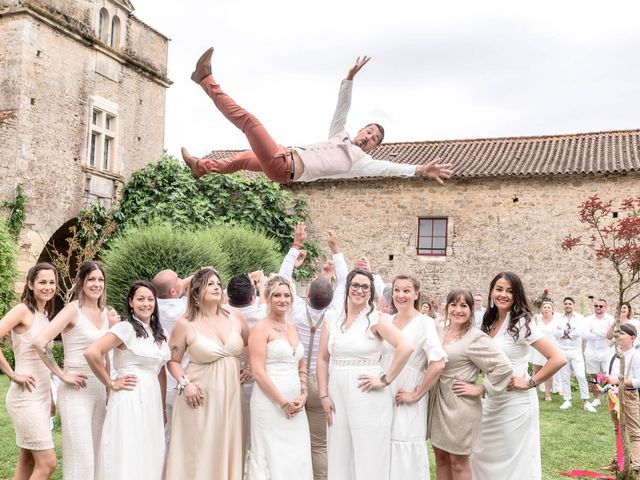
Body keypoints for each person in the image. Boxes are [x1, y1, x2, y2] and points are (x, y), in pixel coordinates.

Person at [181, 48, 454, 184]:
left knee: (249, 122)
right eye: (368, 131)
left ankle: (205, 79)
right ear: (360, 131)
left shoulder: (360, 162)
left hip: (283, 165)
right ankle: (202, 168)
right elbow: (341, 109)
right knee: (242, 158)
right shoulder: (339, 136)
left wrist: (419, 170)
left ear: (373, 147)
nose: (369, 137)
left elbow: (388, 168)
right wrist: (348, 79)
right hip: (283, 158)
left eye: (374, 139)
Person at [316, 268, 414, 480]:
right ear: (347, 287)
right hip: (337, 395)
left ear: (370, 292)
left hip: (367, 396)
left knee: (369, 453)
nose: (360, 290)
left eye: (365, 287)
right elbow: (322, 358)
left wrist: (385, 379)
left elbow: (405, 346)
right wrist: (323, 395)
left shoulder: (377, 319)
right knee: (340, 451)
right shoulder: (331, 318)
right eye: (356, 285)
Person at [471, 272, 567, 480]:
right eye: (499, 289)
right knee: (481, 456)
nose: (503, 294)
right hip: (490, 401)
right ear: (491, 292)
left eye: (510, 291)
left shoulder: (522, 322)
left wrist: (531, 382)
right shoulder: (488, 322)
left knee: (514, 462)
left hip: (515, 404)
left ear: (517, 295)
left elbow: (557, 358)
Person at [278, 224, 348, 480]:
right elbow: (345, 282)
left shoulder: (294, 310)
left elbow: (283, 278)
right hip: (322, 383)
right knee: (319, 444)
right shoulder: (335, 313)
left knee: (291, 438)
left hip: (294, 381)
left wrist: (296, 244)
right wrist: (336, 250)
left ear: (306, 294)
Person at [164, 268, 248, 480]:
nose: (216, 287)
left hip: (231, 398)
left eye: (218, 284)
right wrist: (185, 384)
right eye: (210, 284)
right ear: (196, 291)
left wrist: (249, 368)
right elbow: (172, 361)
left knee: (227, 447)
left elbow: (250, 344)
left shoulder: (235, 316)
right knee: (198, 452)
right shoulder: (185, 323)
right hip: (199, 396)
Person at [84, 280, 170, 480]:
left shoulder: (158, 332)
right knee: (129, 447)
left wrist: (163, 408)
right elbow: (92, 352)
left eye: (150, 299)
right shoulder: (125, 328)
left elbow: (160, 372)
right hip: (130, 397)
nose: (146, 304)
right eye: (140, 299)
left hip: (152, 399)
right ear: (131, 302)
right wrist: (110, 383)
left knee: (150, 448)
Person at [33, 260, 110, 480]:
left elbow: (105, 353)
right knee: (81, 459)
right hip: (75, 391)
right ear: (81, 282)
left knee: (97, 456)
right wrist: (61, 374)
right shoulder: (72, 310)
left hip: (98, 390)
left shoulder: (106, 313)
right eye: (91, 279)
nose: (97, 284)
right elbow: (40, 342)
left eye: (100, 279)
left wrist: (109, 385)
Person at [428, 289, 512, 480]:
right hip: (438, 401)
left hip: (460, 405)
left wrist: (482, 388)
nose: (458, 310)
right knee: (440, 457)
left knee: (458, 463)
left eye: (464, 305)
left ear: (471, 309)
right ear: (447, 307)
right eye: (454, 305)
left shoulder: (476, 337)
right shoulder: (441, 330)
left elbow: (504, 366)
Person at [381, 275, 447, 480]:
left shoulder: (425, 323)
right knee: (382, 447)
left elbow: (438, 363)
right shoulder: (386, 321)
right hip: (382, 394)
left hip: (406, 393)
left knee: (404, 446)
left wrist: (416, 394)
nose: (401, 295)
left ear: (416, 294)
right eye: (397, 290)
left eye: (406, 290)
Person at [247, 275, 313, 479]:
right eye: (277, 295)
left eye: (287, 295)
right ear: (267, 297)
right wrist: (282, 402)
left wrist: (304, 395)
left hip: (296, 405)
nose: (283, 300)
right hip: (270, 404)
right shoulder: (260, 329)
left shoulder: (292, 328)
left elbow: (301, 365)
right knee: (270, 455)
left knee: (296, 454)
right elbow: (258, 372)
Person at [0, 263, 58, 479]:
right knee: (48, 463)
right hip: (25, 398)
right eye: (42, 282)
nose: (48, 287)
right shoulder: (22, 310)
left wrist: (51, 397)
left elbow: (44, 362)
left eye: (52, 282)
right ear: (30, 284)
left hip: (42, 396)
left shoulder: (44, 315)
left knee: (27, 462)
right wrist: (13, 374)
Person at [151, 268, 191, 442]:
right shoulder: (185, 307)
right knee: (184, 433)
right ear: (173, 291)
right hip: (182, 376)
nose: (182, 279)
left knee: (163, 434)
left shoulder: (153, 307)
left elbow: (176, 286)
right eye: (178, 279)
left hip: (159, 380)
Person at [603, 323, 640, 474]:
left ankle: (637, 466)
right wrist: (606, 379)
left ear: (632, 338)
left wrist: (618, 381)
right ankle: (619, 461)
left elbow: (638, 381)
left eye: (622, 334)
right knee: (617, 428)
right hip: (613, 396)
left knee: (633, 431)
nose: (618, 337)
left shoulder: (636, 356)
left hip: (629, 395)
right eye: (617, 334)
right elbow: (610, 375)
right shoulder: (614, 355)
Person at [554, 297, 596, 412]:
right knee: (565, 377)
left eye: (570, 304)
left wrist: (564, 333)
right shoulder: (558, 318)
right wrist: (567, 331)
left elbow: (579, 332)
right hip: (562, 350)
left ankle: (586, 401)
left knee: (581, 375)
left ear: (574, 305)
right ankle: (567, 400)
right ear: (563, 305)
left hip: (575, 350)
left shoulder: (580, 318)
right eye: (566, 303)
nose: (567, 305)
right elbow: (555, 332)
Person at [584, 298, 615, 407]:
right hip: (591, 351)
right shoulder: (588, 319)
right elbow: (585, 335)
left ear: (605, 307)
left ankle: (610, 397)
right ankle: (596, 398)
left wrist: (595, 332)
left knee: (608, 375)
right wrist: (603, 333)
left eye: (601, 306)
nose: (598, 308)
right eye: (596, 306)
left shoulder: (611, 319)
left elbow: (610, 335)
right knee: (594, 376)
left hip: (607, 352)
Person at [530, 300, 560, 402]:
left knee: (549, 372)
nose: (546, 309)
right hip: (538, 348)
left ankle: (547, 393)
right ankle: (533, 390)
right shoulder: (537, 319)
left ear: (552, 310)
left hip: (551, 348)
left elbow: (559, 333)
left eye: (548, 307)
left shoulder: (556, 320)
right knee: (536, 370)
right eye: (544, 307)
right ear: (542, 309)